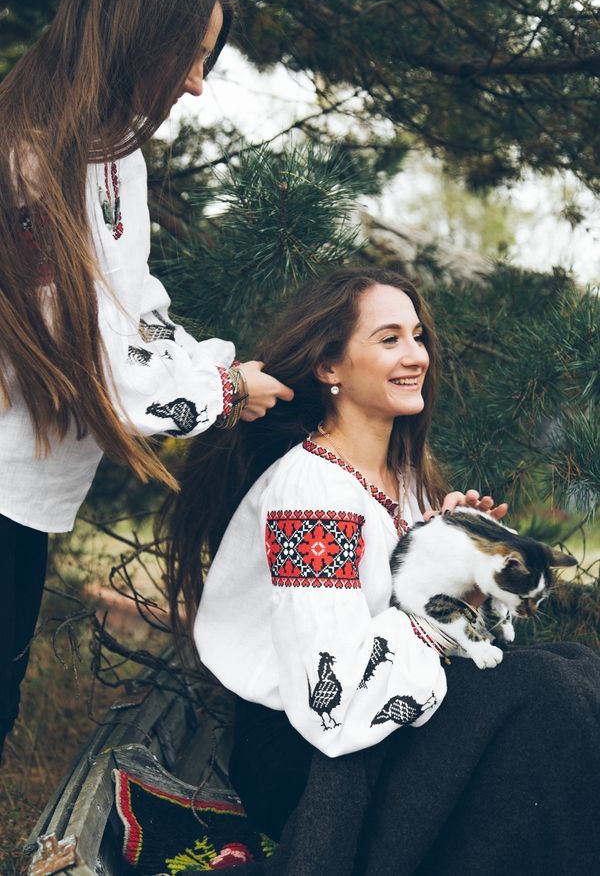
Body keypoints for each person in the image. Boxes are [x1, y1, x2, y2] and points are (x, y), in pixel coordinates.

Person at [165, 266, 600, 875]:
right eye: (389, 338)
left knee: (577, 669)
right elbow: (333, 704)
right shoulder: (310, 498)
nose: (416, 355)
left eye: (418, 336)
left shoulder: (408, 479)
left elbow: (431, 630)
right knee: (546, 696)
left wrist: (468, 567)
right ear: (330, 367)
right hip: (307, 755)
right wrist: (441, 613)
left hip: (383, 719)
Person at [0, 0, 293, 763]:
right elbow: (95, 359)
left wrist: (214, 367)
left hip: (21, 492)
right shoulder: (30, 157)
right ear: (137, 35)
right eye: (190, 55)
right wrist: (225, 389)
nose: (195, 83)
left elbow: (132, 308)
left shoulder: (110, 154)